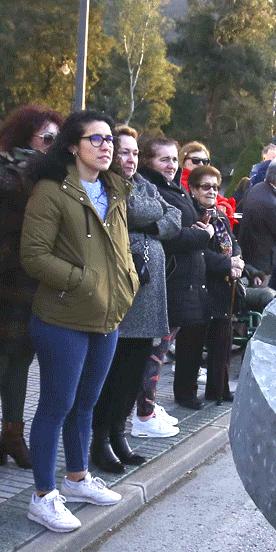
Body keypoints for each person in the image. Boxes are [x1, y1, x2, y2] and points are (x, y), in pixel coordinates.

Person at [19, 110, 137, 533]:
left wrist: (128, 281)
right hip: (63, 317)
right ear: (72, 145)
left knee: (86, 403)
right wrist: (83, 280)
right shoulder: (51, 193)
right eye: (96, 140)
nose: (107, 147)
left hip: (106, 315)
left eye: (110, 140)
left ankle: (77, 478)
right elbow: (33, 256)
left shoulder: (114, 190)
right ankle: (42, 496)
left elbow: (120, 249)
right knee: (57, 405)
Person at [0, 105, 64, 482]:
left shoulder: (47, 177)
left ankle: (12, 436)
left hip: (33, 283)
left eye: (58, 139)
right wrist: (5, 256)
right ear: (24, 136)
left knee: (22, 360)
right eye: (47, 139)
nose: (54, 146)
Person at [90, 125, 182, 472]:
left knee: (132, 375)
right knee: (112, 375)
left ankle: (119, 434)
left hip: (149, 298)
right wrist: (153, 217)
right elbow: (131, 210)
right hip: (122, 298)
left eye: (133, 153)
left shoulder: (142, 185)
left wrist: (151, 223)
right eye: (123, 151)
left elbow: (176, 216)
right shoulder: (106, 185)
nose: (128, 159)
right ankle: (99, 439)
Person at [138, 136, 215, 411]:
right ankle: (144, 410)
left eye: (174, 158)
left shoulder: (170, 187)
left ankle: (148, 407)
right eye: (164, 159)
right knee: (154, 353)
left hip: (182, 280)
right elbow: (167, 235)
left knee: (159, 351)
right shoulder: (151, 189)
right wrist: (201, 236)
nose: (171, 165)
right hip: (167, 280)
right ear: (148, 161)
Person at [187, 165, 245, 403]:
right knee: (193, 343)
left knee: (223, 341)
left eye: (214, 186)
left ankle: (218, 388)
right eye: (205, 186)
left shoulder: (219, 214)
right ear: (193, 189)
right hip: (199, 285)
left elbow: (233, 241)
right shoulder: (191, 215)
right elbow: (198, 251)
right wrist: (226, 263)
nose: (211, 191)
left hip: (224, 285)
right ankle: (187, 393)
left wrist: (238, 261)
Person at [237, 158, 276, 286]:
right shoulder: (271, 203)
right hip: (262, 261)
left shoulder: (258, 188)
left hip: (251, 254)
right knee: (261, 297)